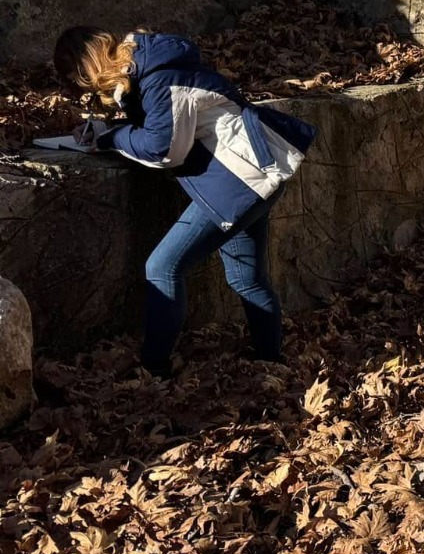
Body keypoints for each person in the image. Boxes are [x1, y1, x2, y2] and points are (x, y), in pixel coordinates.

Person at [54, 28, 316, 377]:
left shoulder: (159, 78)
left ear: (86, 69)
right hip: (254, 173)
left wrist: (111, 138)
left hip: (239, 181)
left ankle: (152, 369)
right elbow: (162, 122)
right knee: (246, 278)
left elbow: (164, 148)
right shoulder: (150, 66)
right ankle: (271, 360)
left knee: (162, 267)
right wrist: (107, 128)